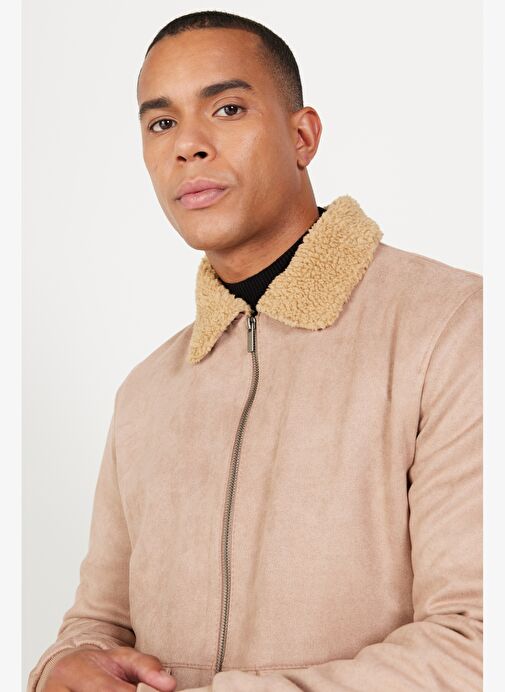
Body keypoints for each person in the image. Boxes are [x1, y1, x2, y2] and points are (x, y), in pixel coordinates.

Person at [28, 9, 483, 692]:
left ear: (302, 136)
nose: (188, 146)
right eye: (161, 123)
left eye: (228, 108)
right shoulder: (145, 392)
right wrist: (62, 667)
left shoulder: (455, 325)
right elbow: (99, 624)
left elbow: (477, 641)